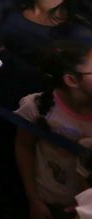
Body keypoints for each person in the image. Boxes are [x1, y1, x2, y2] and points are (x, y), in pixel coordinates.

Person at [15, 41, 92, 219]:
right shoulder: (36, 107)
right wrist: (34, 200)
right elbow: (23, 148)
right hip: (49, 201)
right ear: (71, 80)